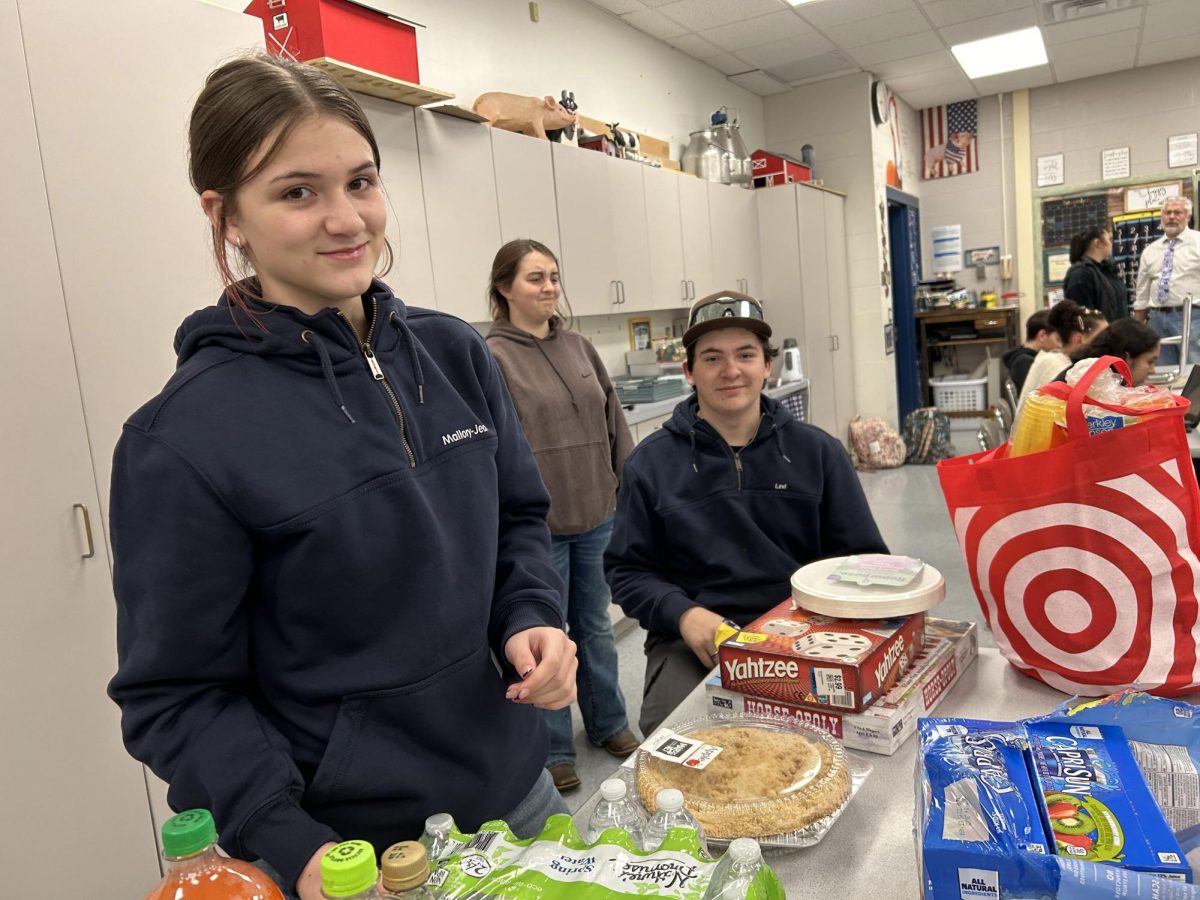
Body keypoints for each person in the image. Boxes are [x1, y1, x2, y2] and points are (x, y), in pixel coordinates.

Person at [106, 55, 577, 900]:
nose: (345, 218)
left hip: (520, 791)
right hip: (357, 854)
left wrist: (530, 614)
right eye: (297, 192)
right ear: (228, 217)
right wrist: (292, 845)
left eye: (361, 181)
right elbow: (175, 695)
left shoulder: (454, 353)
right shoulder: (181, 440)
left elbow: (516, 519)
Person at [603, 290, 889, 735]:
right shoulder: (650, 464)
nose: (731, 371)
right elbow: (628, 571)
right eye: (712, 358)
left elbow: (863, 562)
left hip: (808, 631)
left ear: (767, 366)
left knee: (843, 740)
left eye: (746, 355)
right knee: (676, 743)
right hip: (693, 639)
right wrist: (682, 614)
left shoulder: (819, 454)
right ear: (689, 372)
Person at [485, 239, 639, 794]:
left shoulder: (579, 346)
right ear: (504, 288)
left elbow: (612, 417)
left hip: (596, 510)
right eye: (534, 278)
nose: (549, 287)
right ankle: (551, 748)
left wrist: (626, 484)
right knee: (545, 639)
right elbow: (496, 447)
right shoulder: (492, 357)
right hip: (537, 528)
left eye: (553, 276)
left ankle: (609, 724)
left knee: (596, 628)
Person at [1133, 197, 1200, 365]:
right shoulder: (1150, 251)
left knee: (1195, 370)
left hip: (1193, 318)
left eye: (1177, 212)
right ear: (1162, 217)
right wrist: (1135, 329)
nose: (1171, 217)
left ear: (1188, 216)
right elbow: (1142, 294)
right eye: (1167, 213)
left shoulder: (1198, 242)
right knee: (1162, 372)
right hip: (1156, 320)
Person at [1017, 300, 1107, 410]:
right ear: (1078, 340)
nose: (1106, 342)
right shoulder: (1062, 370)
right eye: (1102, 337)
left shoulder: (1050, 357)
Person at [1051, 318, 1161, 387]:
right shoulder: (1097, 387)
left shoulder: (1094, 373)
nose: (1153, 371)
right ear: (1126, 358)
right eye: (1150, 362)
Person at [1062, 225, 1128, 323]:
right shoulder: (1080, 274)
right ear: (1097, 243)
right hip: (1101, 336)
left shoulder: (1106, 270)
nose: (1111, 243)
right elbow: (1083, 317)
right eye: (1109, 239)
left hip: (1116, 332)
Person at [1002, 309, 1059, 395]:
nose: (1059, 345)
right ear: (1042, 336)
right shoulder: (1025, 363)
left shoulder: (1021, 357)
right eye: (1058, 339)